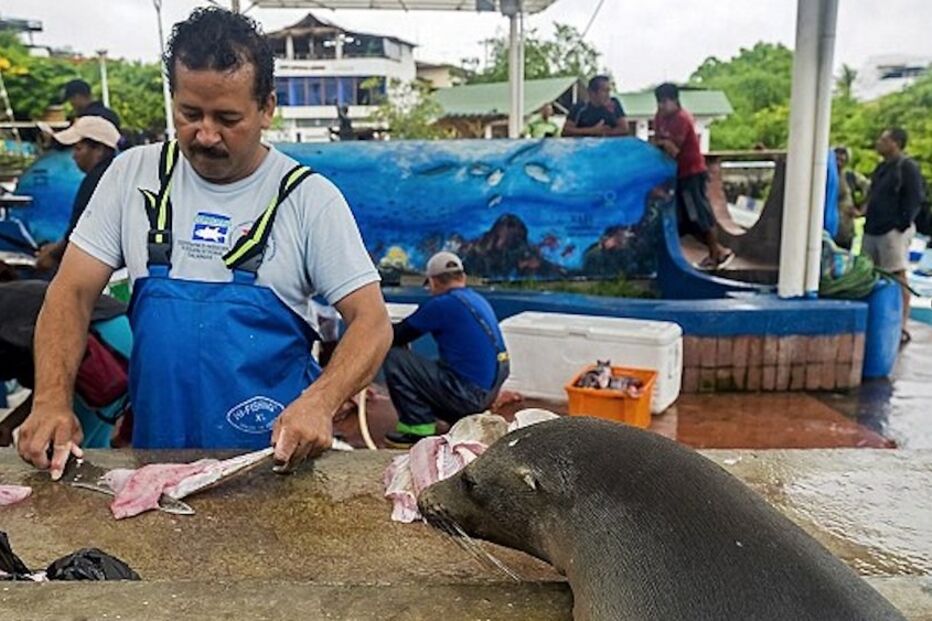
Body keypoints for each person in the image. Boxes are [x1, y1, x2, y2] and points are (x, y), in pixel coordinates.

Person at [16, 8, 392, 479]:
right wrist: (51, 399)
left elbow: (372, 320)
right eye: (190, 114)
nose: (206, 135)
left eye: (228, 118)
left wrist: (320, 401)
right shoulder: (133, 175)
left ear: (267, 107)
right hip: (155, 464)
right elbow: (70, 292)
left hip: (273, 464)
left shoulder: (308, 198)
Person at [383, 252, 509, 448]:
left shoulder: (442, 305)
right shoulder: (477, 300)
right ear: (463, 277)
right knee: (437, 363)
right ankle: (457, 416)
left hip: (469, 395)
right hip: (488, 393)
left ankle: (417, 428)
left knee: (396, 358)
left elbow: (397, 336)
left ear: (433, 282)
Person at [653, 82, 733, 270]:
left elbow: (673, 150)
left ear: (674, 100)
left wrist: (663, 143)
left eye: (664, 102)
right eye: (659, 103)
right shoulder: (660, 117)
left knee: (700, 213)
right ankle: (718, 251)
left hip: (691, 173)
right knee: (685, 221)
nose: (661, 107)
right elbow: (658, 141)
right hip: (675, 175)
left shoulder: (683, 119)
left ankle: (715, 253)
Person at [862, 128, 924, 344]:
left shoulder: (906, 167)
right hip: (872, 229)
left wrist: (900, 224)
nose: (879, 142)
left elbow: (916, 197)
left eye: (883, 139)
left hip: (891, 231)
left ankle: (901, 325)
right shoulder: (882, 168)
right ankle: (875, 320)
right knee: (868, 274)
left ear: (895, 143)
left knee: (897, 275)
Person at [35, 116, 120, 273]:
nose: (74, 156)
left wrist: (51, 255)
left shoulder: (96, 181)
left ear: (99, 150)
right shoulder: (114, 172)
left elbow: (78, 236)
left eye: (78, 149)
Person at [562, 75, 629, 137]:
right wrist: (592, 131)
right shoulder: (578, 108)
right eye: (605, 91)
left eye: (609, 91)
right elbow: (566, 131)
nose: (608, 95)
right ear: (592, 93)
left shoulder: (614, 104)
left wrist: (604, 133)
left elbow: (624, 129)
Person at [833, 146, 870, 250]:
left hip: (845, 229)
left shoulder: (851, 177)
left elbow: (872, 188)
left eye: (843, 154)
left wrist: (862, 210)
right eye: (837, 154)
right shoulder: (819, 174)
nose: (839, 157)